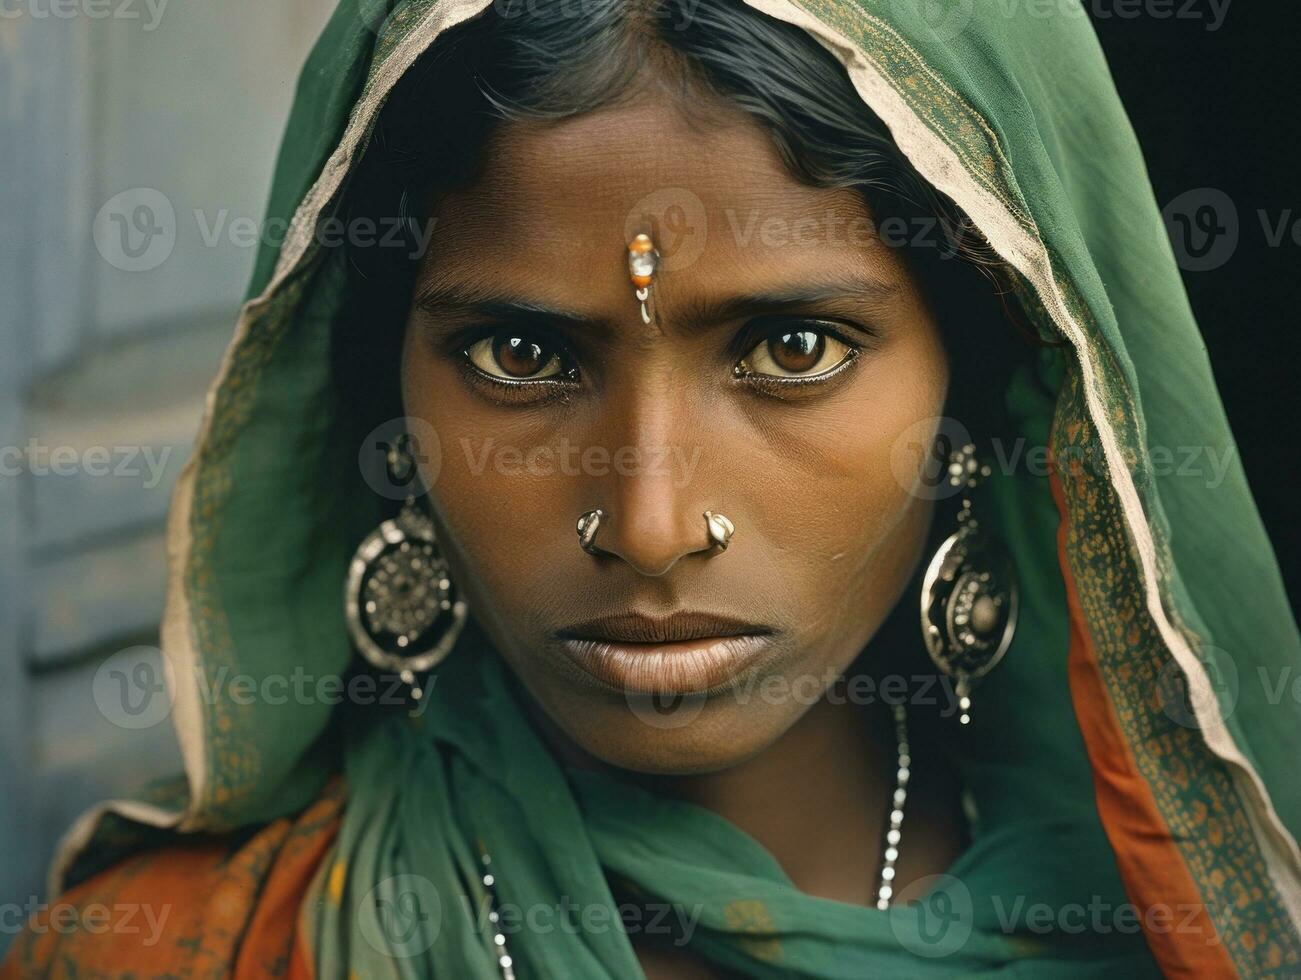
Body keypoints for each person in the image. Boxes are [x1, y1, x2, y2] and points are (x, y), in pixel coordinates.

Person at [6, 0, 1299, 976]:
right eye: (521, 355)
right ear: (385, 400)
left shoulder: (1160, 927)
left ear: (977, 382)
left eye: (792, 350)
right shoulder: (169, 950)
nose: (649, 525)